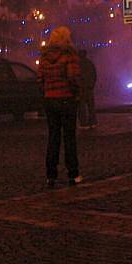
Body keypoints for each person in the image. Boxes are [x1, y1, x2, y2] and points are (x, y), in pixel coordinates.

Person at [38, 26, 82, 187]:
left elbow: (40, 79)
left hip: (50, 100)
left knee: (53, 137)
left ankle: (51, 175)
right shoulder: (69, 55)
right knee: (69, 138)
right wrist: (76, 93)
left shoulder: (44, 57)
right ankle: (73, 173)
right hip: (66, 99)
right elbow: (73, 77)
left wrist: (47, 91)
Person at [78, 49, 98, 128]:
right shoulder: (90, 63)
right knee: (91, 106)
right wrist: (92, 85)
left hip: (81, 88)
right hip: (89, 88)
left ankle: (83, 123)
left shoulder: (78, 64)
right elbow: (94, 75)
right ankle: (93, 122)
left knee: (81, 106)